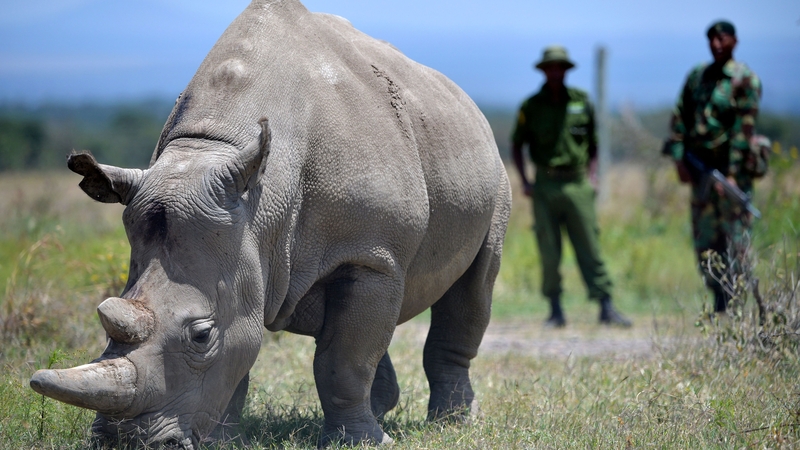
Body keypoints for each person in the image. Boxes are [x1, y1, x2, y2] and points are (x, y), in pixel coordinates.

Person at [511, 45, 631, 328]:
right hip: (545, 185)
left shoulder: (581, 102)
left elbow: (594, 144)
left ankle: (606, 306)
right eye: (550, 68)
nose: (555, 73)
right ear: (544, 71)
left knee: (590, 245)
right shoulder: (531, 106)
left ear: (566, 70)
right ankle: (555, 310)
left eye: (560, 67)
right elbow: (516, 145)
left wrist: (592, 176)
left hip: (578, 183)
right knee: (549, 250)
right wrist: (525, 181)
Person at [663, 20, 767, 313]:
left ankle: (739, 305)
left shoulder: (745, 80)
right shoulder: (698, 76)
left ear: (735, 41)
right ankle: (719, 302)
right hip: (700, 173)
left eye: (722, 39)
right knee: (705, 242)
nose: (716, 44)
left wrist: (731, 175)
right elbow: (679, 117)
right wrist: (679, 158)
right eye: (711, 39)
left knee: (736, 243)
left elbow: (743, 131)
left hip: (732, 175)